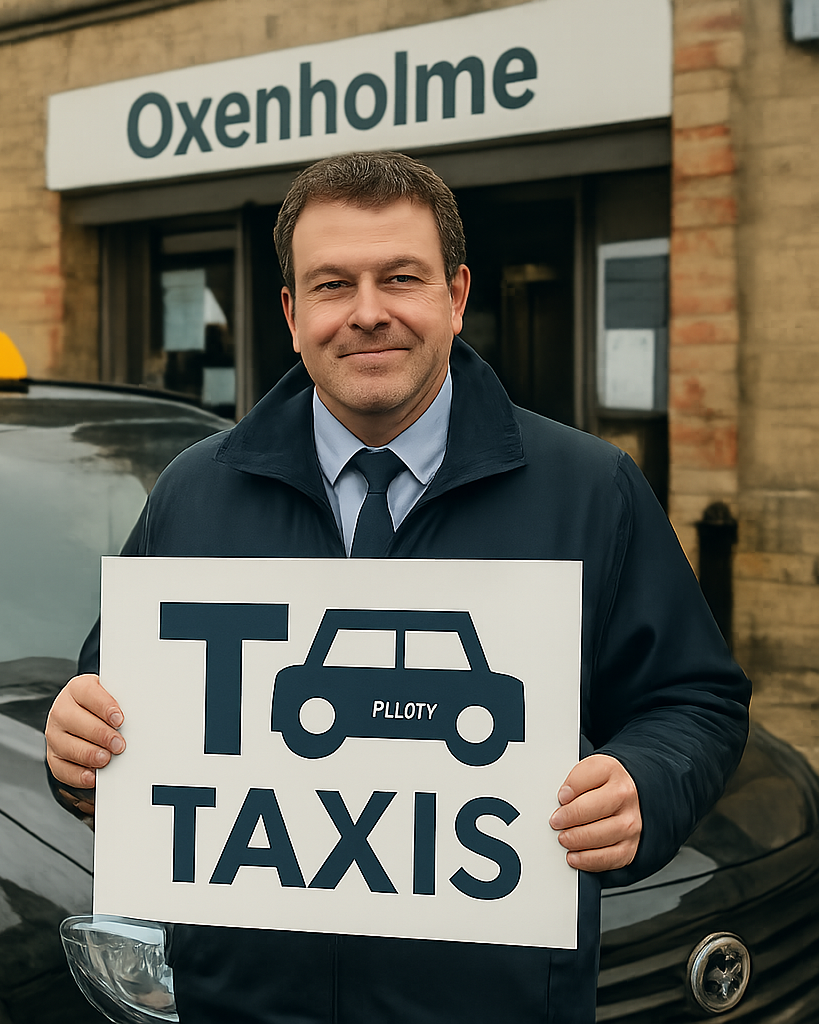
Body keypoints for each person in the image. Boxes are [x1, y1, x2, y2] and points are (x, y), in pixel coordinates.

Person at [45, 151, 750, 1023]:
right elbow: (110, 707)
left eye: (400, 279)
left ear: (454, 297)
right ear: (293, 313)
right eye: (334, 284)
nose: (368, 314)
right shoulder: (195, 490)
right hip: (244, 1007)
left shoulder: (590, 488)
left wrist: (648, 777)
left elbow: (696, 701)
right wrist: (75, 753)